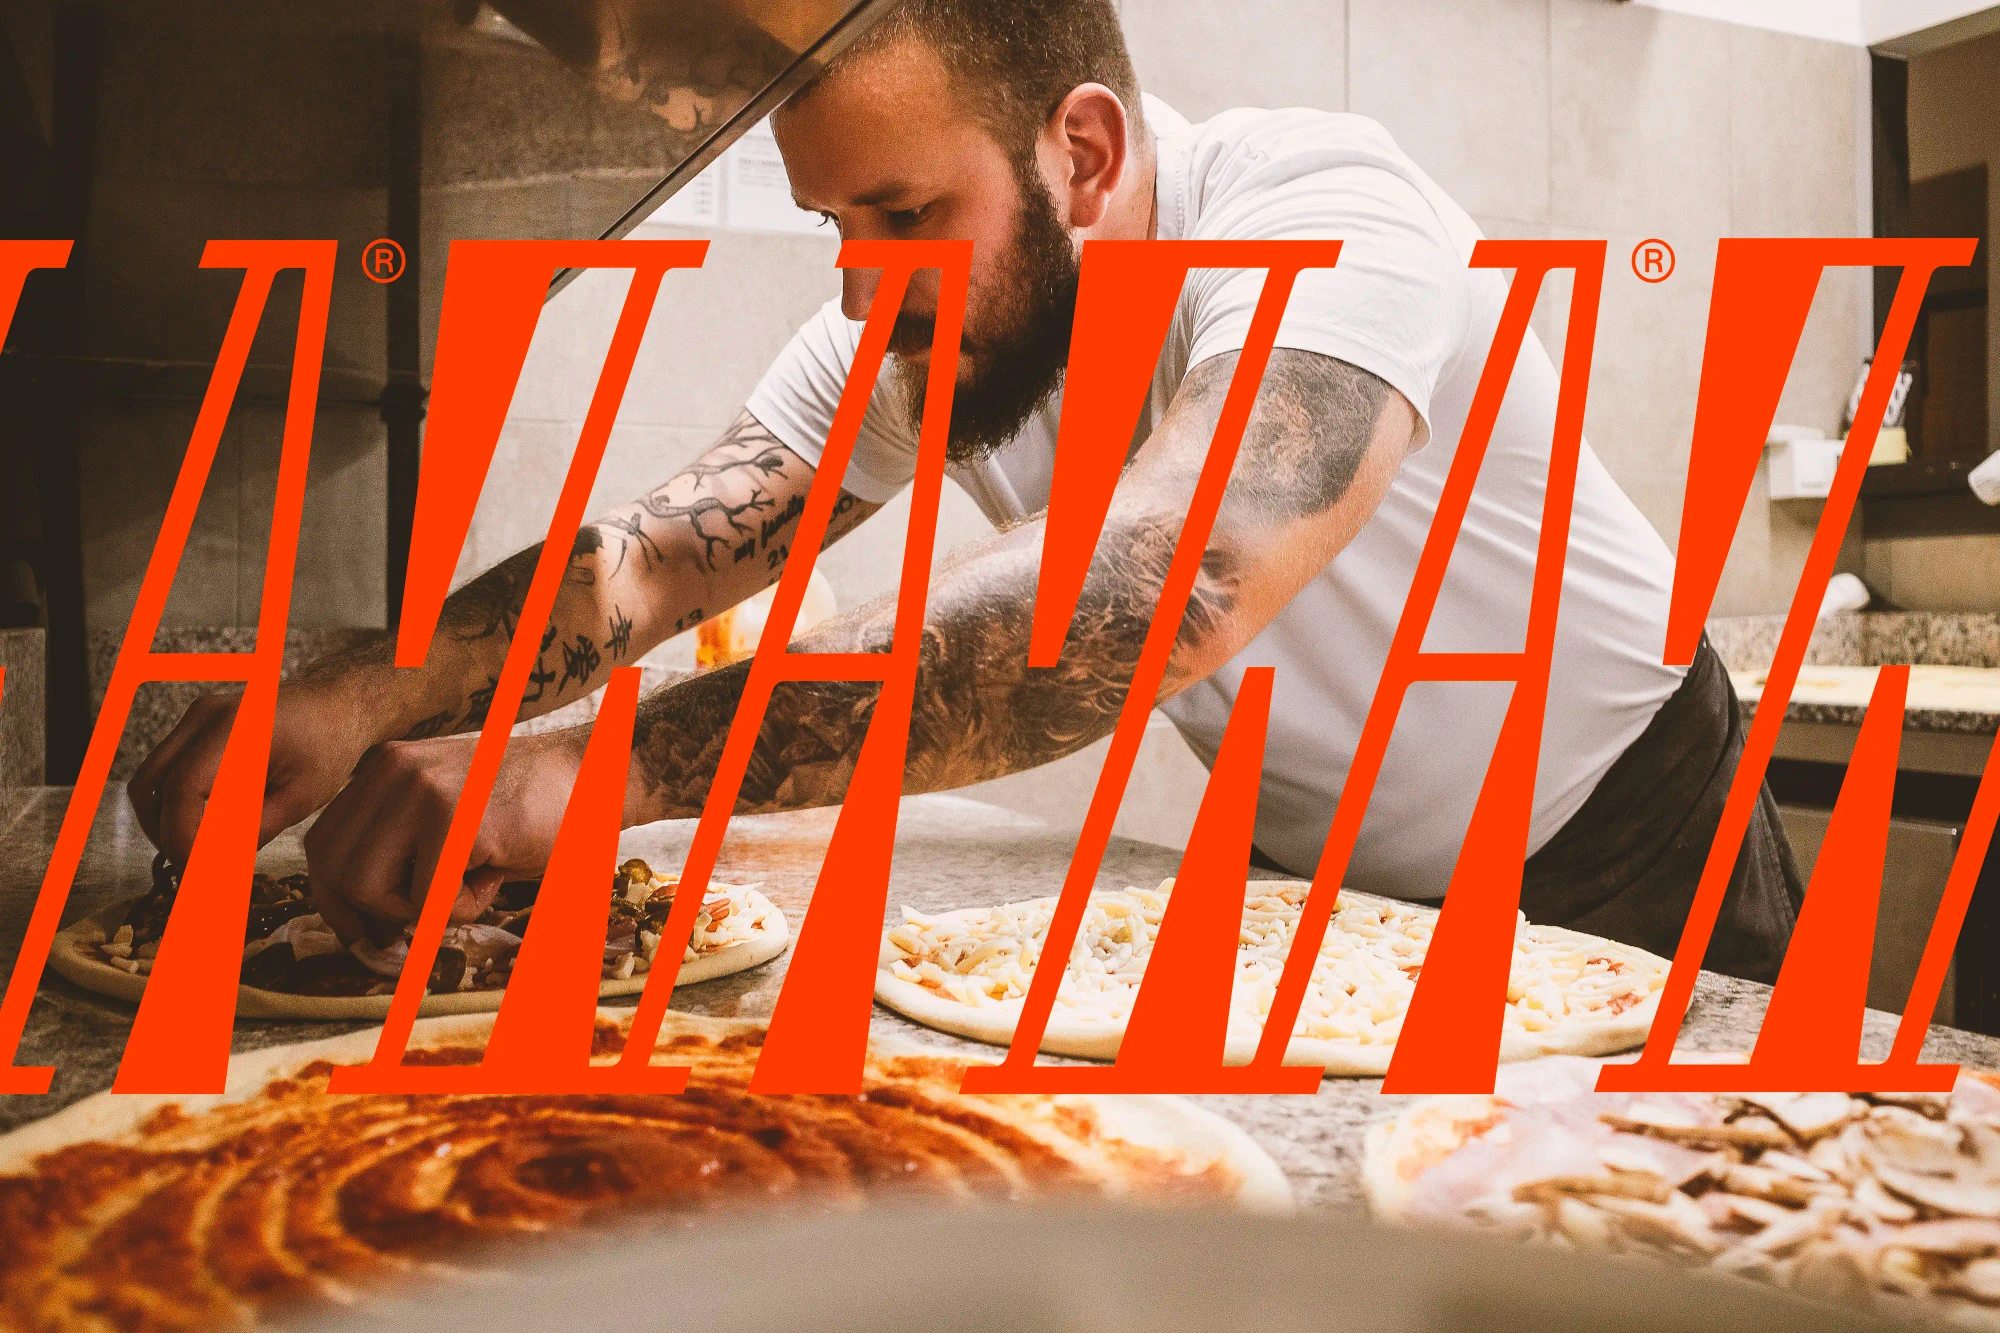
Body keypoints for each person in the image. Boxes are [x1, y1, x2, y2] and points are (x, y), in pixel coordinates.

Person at [128, 0, 1802, 980]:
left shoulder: (1327, 209)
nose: (866, 293)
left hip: (1638, 839)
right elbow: (644, 565)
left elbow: (1158, 588)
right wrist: (363, 696)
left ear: (1084, 155)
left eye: (906, 217)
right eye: (840, 228)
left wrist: (562, 780)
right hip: (1342, 893)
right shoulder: (935, 323)